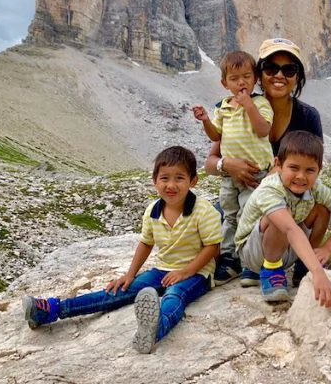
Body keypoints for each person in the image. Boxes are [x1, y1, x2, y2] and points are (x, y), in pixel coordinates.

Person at [22, 146, 222, 354]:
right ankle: (53, 310)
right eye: (164, 178)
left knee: (175, 294)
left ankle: (154, 330)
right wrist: (129, 275)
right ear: (154, 181)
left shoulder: (203, 210)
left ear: (193, 181)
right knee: (118, 291)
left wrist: (186, 271)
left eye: (179, 178)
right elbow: (146, 243)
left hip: (198, 273)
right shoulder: (152, 211)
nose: (171, 185)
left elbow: (212, 247)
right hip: (162, 269)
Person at [204, 38, 325, 287]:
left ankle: (305, 268)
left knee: (321, 207)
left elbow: (314, 169)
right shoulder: (237, 108)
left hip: (280, 198)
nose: (279, 75)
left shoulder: (308, 116)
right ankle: (239, 261)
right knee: (221, 219)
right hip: (241, 194)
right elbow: (209, 162)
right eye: (271, 68)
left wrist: (277, 175)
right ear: (260, 74)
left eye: (289, 69)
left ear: (298, 76)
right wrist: (227, 165)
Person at [235, 130, 331, 305]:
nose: (301, 176)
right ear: (278, 164)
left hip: (286, 247)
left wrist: (328, 248)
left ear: (319, 170)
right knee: (280, 217)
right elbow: (290, 229)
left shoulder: (316, 188)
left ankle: (304, 266)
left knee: (322, 209)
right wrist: (318, 272)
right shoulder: (270, 189)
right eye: (293, 168)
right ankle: (271, 271)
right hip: (253, 252)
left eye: (310, 170)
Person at [191, 50, 274, 285]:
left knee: (250, 215)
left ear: (255, 78)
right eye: (235, 78)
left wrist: (248, 105)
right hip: (229, 176)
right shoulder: (223, 107)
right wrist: (206, 119)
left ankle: (251, 263)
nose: (241, 83)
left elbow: (263, 129)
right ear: (224, 83)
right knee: (229, 216)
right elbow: (215, 135)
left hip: (255, 174)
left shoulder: (260, 103)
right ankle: (229, 259)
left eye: (247, 77)